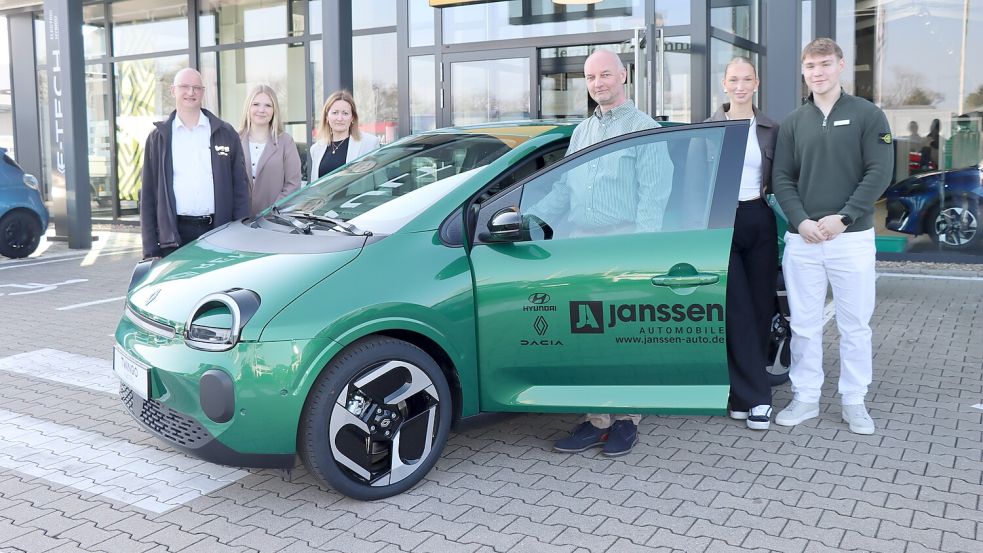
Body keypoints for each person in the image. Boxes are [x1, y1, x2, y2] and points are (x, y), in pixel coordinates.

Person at [543, 49, 672, 457]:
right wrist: (524, 217)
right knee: (587, 334)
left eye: (605, 75)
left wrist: (642, 257)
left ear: (623, 75)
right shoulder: (581, 132)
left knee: (625, 337)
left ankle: (626, 420)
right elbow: (562, 191)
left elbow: (654, 198)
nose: (598, 83)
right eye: (591, 77)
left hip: (624, 243)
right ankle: (596, 419)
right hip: (582, 245)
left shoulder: (644, 129)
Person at [772, 38, 894, 435]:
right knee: (804, 325)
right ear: (803, 71)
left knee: (855, 325)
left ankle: (854, 400)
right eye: (810, 66)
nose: (817, 72)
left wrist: (844, 217)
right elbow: (782, 177)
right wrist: (800, 220)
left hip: (851, 239)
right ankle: (806, 397)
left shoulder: (867, 114)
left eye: (825, 64)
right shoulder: (793, 122)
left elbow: (878, 172)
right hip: (803, 241)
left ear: (840, 65)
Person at [705, 57, 780, 431]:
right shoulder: (708, 129)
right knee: (735, 311)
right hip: (722, 223)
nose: (739, 86)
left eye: (746, 79)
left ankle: (740, 395)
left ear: (756, 83)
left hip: (759, 219)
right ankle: (759, 398)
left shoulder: (770, 128)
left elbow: (781, 180)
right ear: (724, 84)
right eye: (733, 79)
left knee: (760, 308)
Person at [140, 68, 249, 259]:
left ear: (203, 92)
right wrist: (151, 250)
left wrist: (240, 236)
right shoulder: (158, 138)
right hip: (175, 237)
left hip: (219, 233)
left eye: (196, 88)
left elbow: (240, 189)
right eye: (185, 87)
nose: (191, 92)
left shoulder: (225, 133)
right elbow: (148, 197)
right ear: (173, 91)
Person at [238, 85, 302, 216]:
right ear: (248, 107)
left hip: (274, 221)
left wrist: (271, 212)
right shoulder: (234, 140)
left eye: (268, 105)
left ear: (274, 110)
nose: (261, 110)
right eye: (256, 104)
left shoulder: (286, 142)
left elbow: (293, 185)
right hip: (239, 222)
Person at [310, 90, 380, 180]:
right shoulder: (316, 149)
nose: (340, 118)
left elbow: (379, 181)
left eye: (345, 113)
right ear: (327, 117)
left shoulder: (369, 143)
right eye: (335, 113)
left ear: (352, 118)